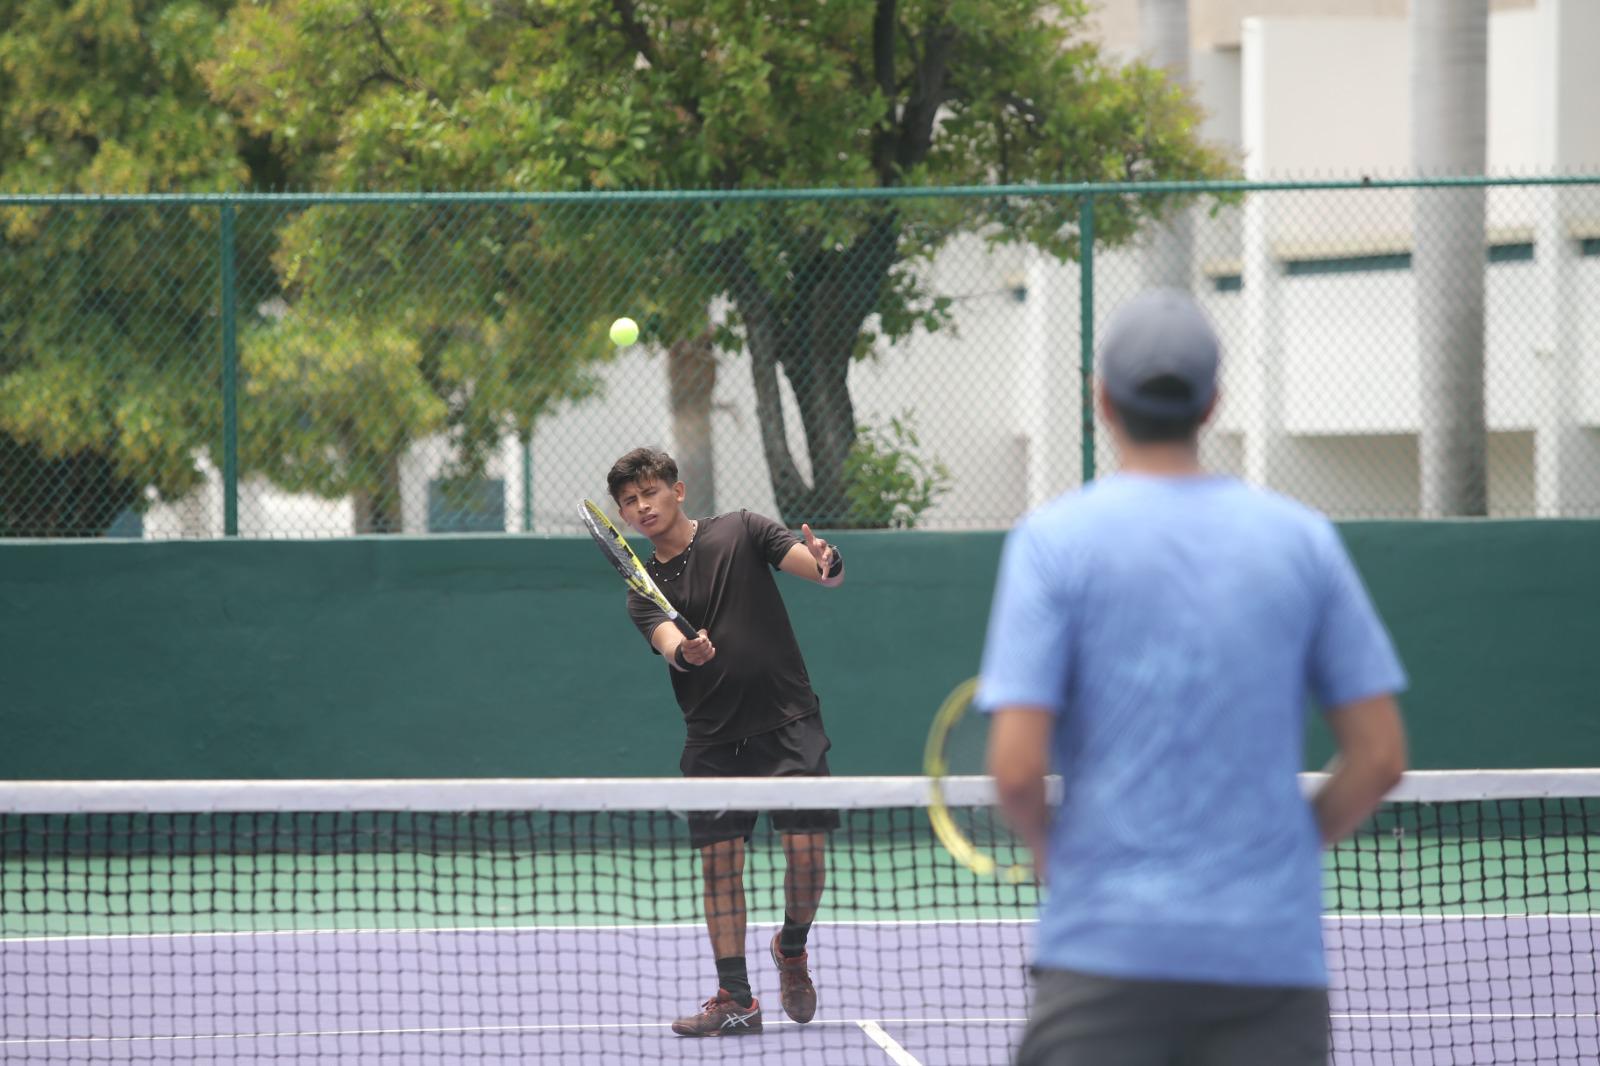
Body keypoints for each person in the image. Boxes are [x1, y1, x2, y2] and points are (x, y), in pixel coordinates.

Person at [979, 289, 1409, 1066]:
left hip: (1102, 958)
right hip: (1270, 968)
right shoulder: (1304, 541)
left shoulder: (1050, 542)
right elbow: (1380, 757)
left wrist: (1060, 860)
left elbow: (1015, 772)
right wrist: (1287, 849)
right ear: (1213, 403)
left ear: (1101, 400)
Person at [605, 447, 846, 1038]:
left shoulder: (742, 529)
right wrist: (686, 651)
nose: (642, 508)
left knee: (808, 859)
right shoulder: (643, 590)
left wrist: (827, 560)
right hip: (713, 742)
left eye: (650, 494)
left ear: (678, 490)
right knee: (719, 868)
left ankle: (791, 948)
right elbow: (667, 640)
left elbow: (818, 570)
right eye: (629, 502)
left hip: (789, 723)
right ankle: (735, 996)